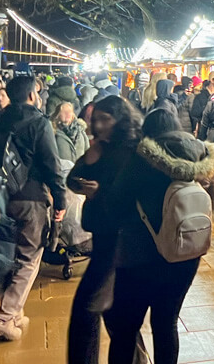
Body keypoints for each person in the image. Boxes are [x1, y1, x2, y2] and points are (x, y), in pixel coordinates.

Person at [105, 106, 214, 364]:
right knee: (166, 322)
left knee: (126, 327)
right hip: (185, 253)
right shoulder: (201, 155)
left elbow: (116, 204)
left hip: (140, 254)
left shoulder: (140, 157)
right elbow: (211, 200)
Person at [0, 75, 67, 342]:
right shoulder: (39, 123)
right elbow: (52, 166)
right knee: (29, 258)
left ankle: (16, 311)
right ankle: (5, 316)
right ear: (32, 95)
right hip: (30, 198)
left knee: (12, 253)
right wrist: (60, 200)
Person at [66, 96, 143, 364]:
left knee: (86, 309)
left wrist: (102, 192)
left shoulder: (134, 150)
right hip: (102, 236)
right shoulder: (101, 148)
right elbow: (72, 180)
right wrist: (88, 160)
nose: (98, 125)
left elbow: (133, 197)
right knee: (115, 314)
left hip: (121, 240)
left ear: (120, 119)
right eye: (95, 119)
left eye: (105, 119)